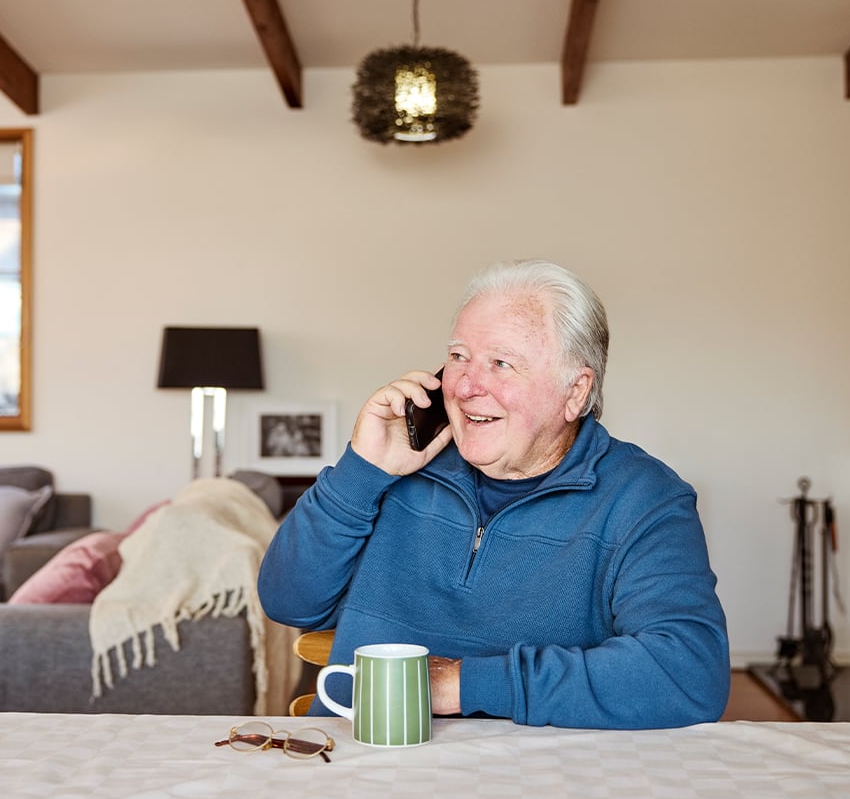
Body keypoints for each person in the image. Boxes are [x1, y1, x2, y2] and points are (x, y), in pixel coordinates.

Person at [258, 259, 730, 728]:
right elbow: (288, 601)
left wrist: (460, 684)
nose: (465, 387)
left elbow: (687, 672)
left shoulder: (645, 500)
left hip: (540, 775)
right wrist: (361, 472)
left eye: (501, 363)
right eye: (459, 357)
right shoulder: (391, 468)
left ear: (576, 392)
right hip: (367, 762)